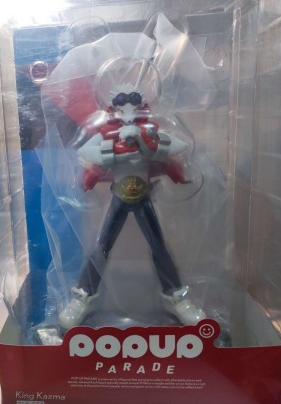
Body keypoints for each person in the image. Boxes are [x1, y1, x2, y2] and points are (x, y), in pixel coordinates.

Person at [58, 90, 206, 329]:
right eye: (123, 109)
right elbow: (84, 151)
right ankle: (84, 296)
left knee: (159, 247)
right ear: (114, 111)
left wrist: (145, 144)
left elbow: (178, 146)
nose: (128, 114)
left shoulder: (149, 131)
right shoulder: (108, 132)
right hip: (119, 195)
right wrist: (117, 150)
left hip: (144, 195)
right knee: (101, 247)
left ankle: (176, 297)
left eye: (133, 109)